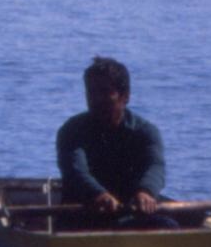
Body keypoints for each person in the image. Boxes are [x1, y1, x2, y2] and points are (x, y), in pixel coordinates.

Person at [55, 56, 176, 225]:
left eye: (104, 92)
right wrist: (97, 194)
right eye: (92, 92)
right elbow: (75, 171)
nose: (96, 99)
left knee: (172, 224)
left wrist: (146, 191)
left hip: (131, 208)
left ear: (125, 96)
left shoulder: (145, 132)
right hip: (84, 212)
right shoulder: (72, 130)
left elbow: (155, 166)